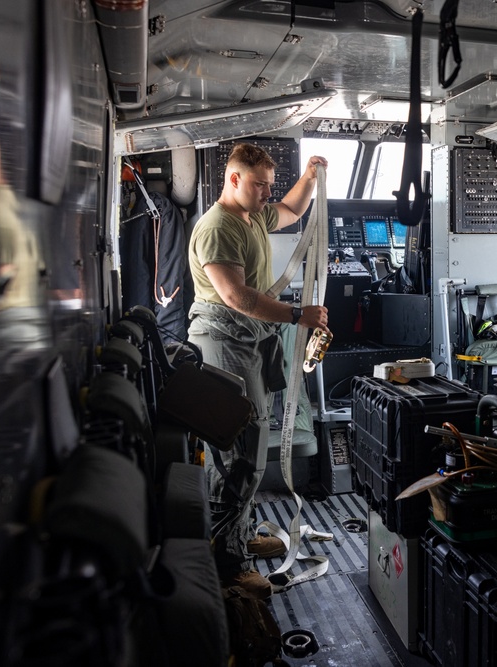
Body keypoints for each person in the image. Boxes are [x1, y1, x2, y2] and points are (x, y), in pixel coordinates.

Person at [187, 143, 330, 599]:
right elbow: (238, 298)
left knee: (250, 444)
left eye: (270, 184)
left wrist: (310, 175)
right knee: (238, 452)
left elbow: (291, 209)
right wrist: (296, 316)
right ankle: (227, 564)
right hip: (225, 341)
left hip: (249, 340)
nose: (268, 194)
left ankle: (238, 536)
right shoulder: (217, 227)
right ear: (233, 179)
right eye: (259, 185)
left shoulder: (254, 214)